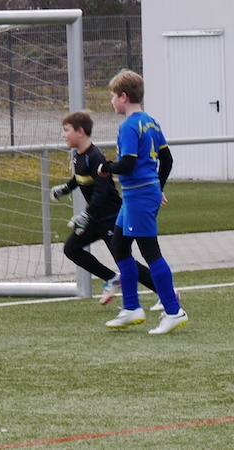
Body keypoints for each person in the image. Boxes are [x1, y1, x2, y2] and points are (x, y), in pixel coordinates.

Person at [98, 69, 188, 335]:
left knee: (150, 252)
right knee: (119, 246)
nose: (112, 101)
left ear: (123, 97)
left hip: (138, 194)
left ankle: (173, 311)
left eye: (113, 96)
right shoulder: (151, 122)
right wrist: (158, 188)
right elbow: (167, 159)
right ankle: (131, 308)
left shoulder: (129, 126)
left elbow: (127, 163)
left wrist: (106, 167)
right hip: (137, 195)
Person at [51, 110, 164, 308]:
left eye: (67, 130)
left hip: (111, 217)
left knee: (125, 260)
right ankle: (111, 278)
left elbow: (102, 190)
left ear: (80, 132)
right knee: (71, 249)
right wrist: (65, 189)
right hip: (96, 217)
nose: (63, 135)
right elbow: (79, 178)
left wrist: (86, 214)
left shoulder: (95, 156)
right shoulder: (77, 156)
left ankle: (166, 293)